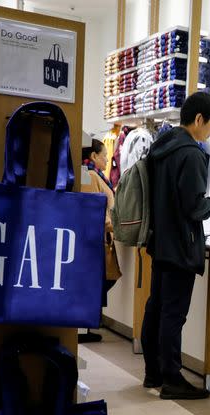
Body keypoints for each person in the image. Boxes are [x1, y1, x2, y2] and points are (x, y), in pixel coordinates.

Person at [141, 92, 210, 400]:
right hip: (181, 245)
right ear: (199, 119)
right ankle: (172, 379)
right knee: (173, 314)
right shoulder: (190, 153)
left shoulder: (161, 148)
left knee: (156, 307)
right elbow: (194, 207)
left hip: (160, 241)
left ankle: (153, 372)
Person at [79, 138, 117, 344]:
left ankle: (88, 323)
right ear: (93, 156)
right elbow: (93, 208)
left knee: (101, 280)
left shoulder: (95, 175)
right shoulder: (91, 176)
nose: (107, 159)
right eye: (104, 156)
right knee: (98, 281)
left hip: (99, 236)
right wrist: (113, 225)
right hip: (96, 238)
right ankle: (84, 326)